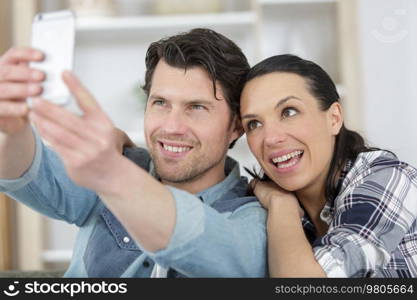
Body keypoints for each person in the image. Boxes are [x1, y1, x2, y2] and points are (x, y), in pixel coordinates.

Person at [0, 28, 267, 277]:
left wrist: (114, 177)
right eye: (160, 103)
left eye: (196, 107)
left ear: (236, 126)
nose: (171, 127)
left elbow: (212, 247)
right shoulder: (119, 162)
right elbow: (28, 173)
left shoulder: (252, 218)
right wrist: (12, 129)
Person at [240, 54, 417, 278]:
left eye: (289, 112)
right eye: (253, 124)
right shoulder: (257, 209)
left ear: (334, 118)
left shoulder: (389, 179)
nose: (271, 138)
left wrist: (281, 205)